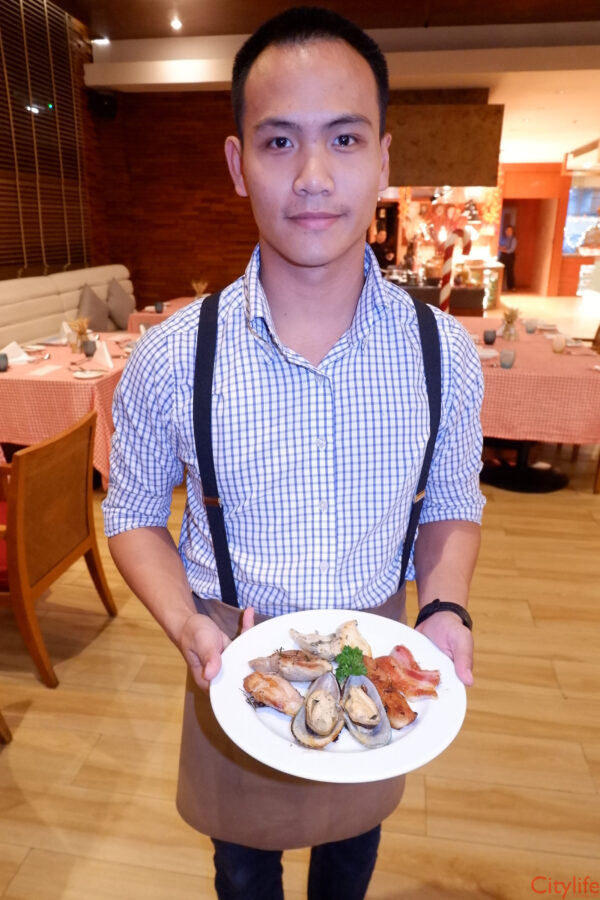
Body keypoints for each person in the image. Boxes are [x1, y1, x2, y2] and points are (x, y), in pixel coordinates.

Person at [102, 7, 485, 899]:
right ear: (239, 164)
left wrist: (445, 608)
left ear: (383, 158)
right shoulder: (172, 356)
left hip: (374, 653)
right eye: (280, 142)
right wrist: (185, 624)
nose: (313, 177)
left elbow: (451, 503)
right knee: (243, 875)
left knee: (351, 863)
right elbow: (130, 515)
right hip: (230, 656)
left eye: (344, 139)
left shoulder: (444, 353)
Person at [498, 224, 517, 291]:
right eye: (507, 230)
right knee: (501, 270)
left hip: (510, 256)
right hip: (503, 256)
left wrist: (504, 250)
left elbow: (511, 249)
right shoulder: (504, 238)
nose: (508, 232)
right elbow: (501, 247)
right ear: (505, 231)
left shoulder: (513, 239)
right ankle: (499, 286)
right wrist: (502, 248)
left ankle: (512, 287)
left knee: (510, 271)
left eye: (510, 230)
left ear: (512, 231)